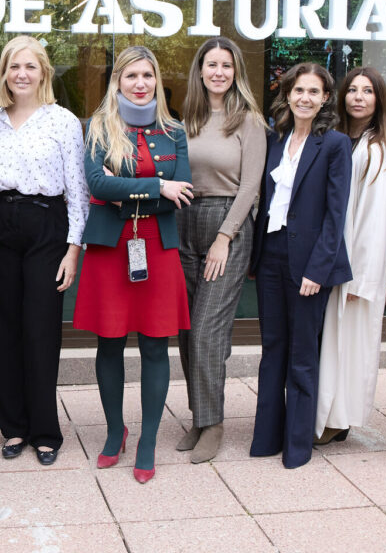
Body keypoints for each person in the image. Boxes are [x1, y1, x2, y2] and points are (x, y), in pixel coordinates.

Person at [73, 46, 192, 483]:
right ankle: (113, 432)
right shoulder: (96, 128)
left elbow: (184, 192)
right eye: (130, 76)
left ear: (157, 81)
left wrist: (138, 191)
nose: (140, 84)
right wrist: (159, 185)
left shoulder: (173, 130)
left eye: (147, 75)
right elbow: (97, 183)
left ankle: (147, 441)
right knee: (109, 342)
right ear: (117, 81)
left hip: (155, 247)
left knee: (156, 345)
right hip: (110, 246)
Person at [0, 36, 89, 466]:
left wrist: (73, 249)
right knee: (4, 330)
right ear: (4, 74)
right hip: (0, 224)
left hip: (48, 224)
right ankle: (14, 427)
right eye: (13, 67)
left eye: (29, 66)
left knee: (40, 329)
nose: (21, 74)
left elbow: (78, 191)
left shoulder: (63, 121)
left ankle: (45, 429)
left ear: (43, 72)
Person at [249, 62, 352, 469]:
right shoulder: (275, 139)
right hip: (271, 254)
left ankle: (297, 446)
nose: (305, 98)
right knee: (272, 349)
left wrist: (318, 269)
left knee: (302, 354)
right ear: (287, 94)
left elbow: (336, 213)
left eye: (314, 91)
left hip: (310, 262)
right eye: (298, 90)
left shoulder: (335, 144)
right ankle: (266, 438)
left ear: (325, 98)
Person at [175, 37, 267, 463]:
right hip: (184, 222)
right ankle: (199, 416)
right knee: (188, 329)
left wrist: (225, 238)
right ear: (199, 70)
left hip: (225, 224)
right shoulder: (185, 120)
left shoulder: (247, 119)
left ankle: (213, 424)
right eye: (211, 64)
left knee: (209, 329)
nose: (218, 72)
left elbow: (251, 186)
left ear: (236, 72)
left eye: (226, 65)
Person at [314, 67, 386, 445]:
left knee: (347, 347)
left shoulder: (376, 150)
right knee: (327, 345)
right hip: (325, 258)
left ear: (379, 101)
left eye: (368, 91)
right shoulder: (333, 139)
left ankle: (338, 420)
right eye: (352, 90)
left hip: (352, 268)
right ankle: (323, 415)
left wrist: (359, 277)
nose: (358, 97)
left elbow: (376, 223)